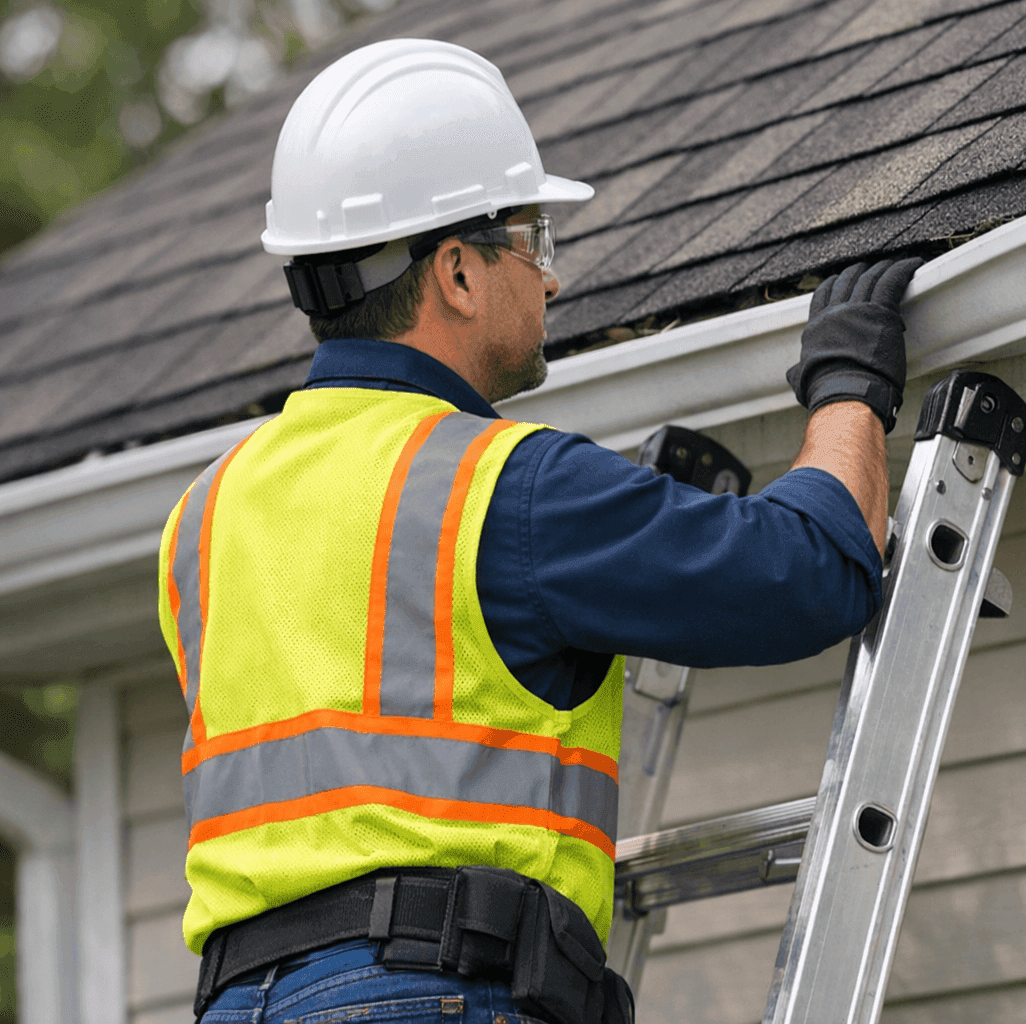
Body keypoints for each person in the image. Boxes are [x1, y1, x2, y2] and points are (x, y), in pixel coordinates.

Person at [158, 38, 921, 1024]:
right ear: (458, 273)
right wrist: (849, 386)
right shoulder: (503, 486)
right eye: (534, 239)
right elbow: (810, 570)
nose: (550, 281)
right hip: (427, 994)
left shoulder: (203, 518)